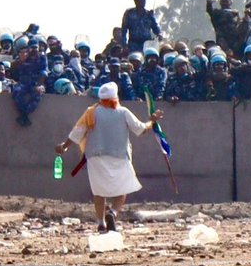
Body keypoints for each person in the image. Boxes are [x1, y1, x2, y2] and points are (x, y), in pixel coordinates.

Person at [55, 82, 163, 233]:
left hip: (95, 157)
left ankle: (100, 223)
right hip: (120, 156)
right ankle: (113, 213)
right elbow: (140, 129)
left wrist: (64, 146)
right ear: (116, 97)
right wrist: (152, 120)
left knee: (99, 191)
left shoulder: (91, 112)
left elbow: (78, 132)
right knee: (122, 188)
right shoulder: (123, 112)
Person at [10, 41, 47, 126]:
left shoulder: (42, 58)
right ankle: (24, 115)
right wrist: (21, 61)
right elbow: (12, 67)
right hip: (23, 83)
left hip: (35, 83)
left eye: (35, 48)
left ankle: (24, 114)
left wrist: (39, 85)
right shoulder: (23, 56)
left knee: (37, 95)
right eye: (32, 48)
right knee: (17, 92)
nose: (34, 50)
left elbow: (44, 72)